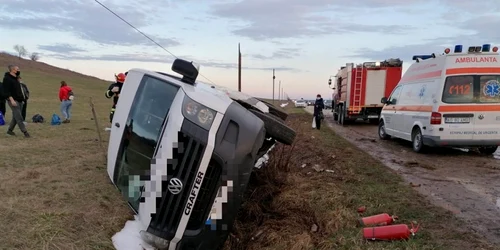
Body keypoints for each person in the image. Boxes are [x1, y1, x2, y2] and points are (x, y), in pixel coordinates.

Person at [2, 65, 30, 137]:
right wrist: (11, 100)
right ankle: (25, 132)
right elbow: (6, 91)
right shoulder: (7, 79)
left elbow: (19, 90)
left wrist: (23, 99)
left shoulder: (16, 78)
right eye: (18, 69)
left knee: (15, 117)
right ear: (13, 70)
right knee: (19, 117)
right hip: (13, 100)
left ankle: (9, 131)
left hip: (20, 100)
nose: (19, 70)